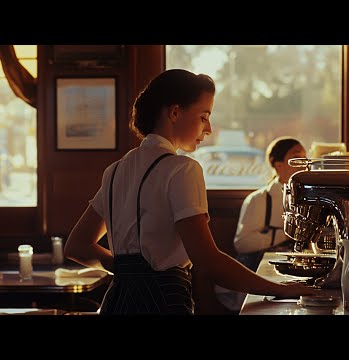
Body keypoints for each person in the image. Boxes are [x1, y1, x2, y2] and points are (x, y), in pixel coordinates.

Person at [64, 69, 318, 315]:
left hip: (117, 301)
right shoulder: (182, 169)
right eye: (204, 116)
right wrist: (279, 289)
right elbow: (207, 260)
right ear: (175, 113)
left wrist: (128, 271)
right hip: (162, 301)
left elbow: (77, 246)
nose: (208, 129)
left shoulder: (115, 170)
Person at [215, 136, 307, 313]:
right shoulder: (259, 200)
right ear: (277, 164)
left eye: (304, 157)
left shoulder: (308, 198)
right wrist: (286, 233)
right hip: (262, 274)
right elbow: (242, 243)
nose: (303, 163)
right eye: (296, 157)